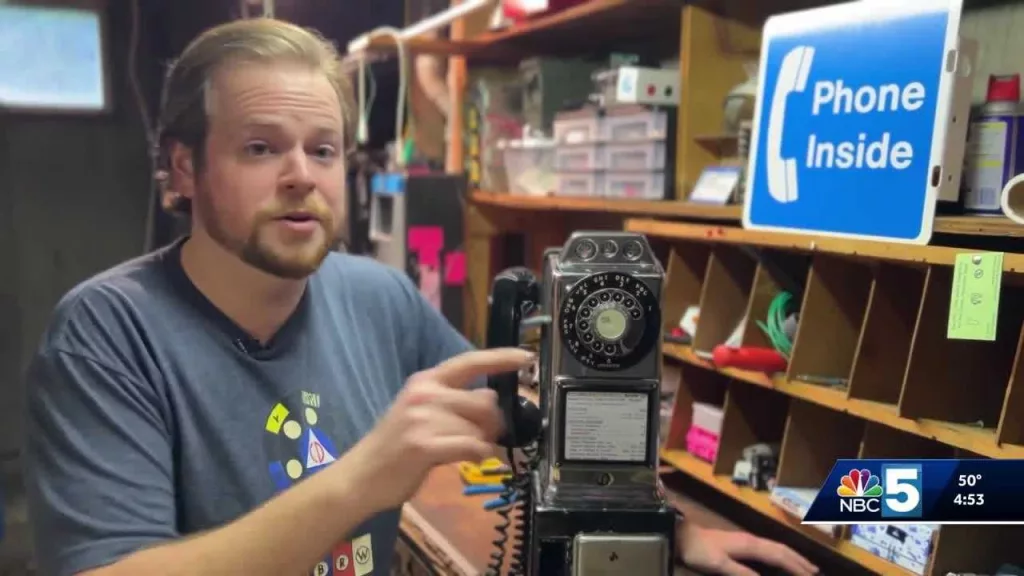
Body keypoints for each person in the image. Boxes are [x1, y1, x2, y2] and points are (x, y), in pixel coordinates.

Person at [22, 17, 819, 576]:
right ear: (184, 168)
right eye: (260, 147)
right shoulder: (106, 333)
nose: (301, 173)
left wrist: (661, 530)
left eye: (323, 148)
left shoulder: (377, 295)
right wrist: (367, 478)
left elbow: (519, 420)